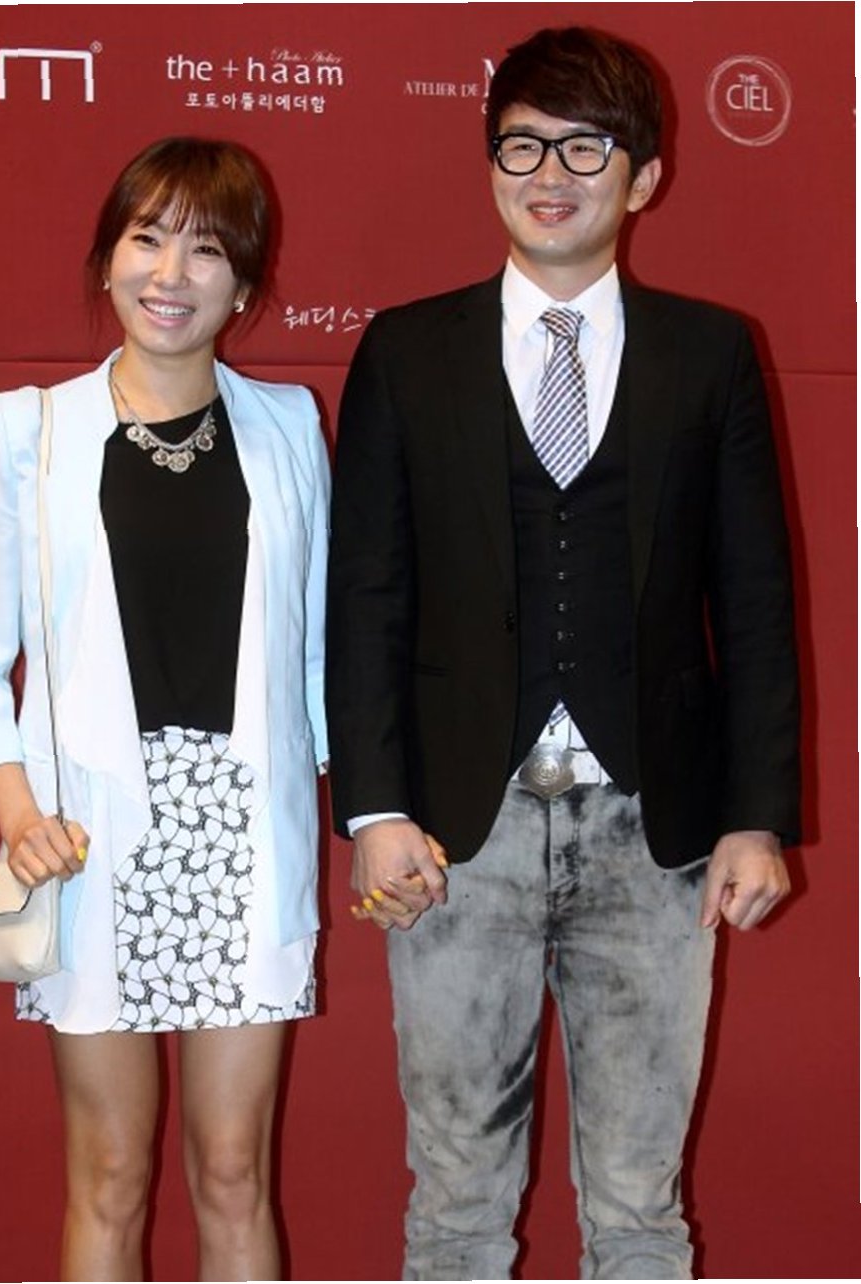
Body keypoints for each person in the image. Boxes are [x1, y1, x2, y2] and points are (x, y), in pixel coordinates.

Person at [327, 27, 798, 1281]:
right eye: (522, 145)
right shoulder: (407, 350)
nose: (550, 173)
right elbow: (365, 595)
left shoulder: (710, 352)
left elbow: (755, 601)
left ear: (643, 177)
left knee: (641, 1201)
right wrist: (373, 808)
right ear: (490, 165)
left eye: (586, 147)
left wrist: (756, 816)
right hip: (452, 836)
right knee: (456, 1198)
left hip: (656, 833)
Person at [0, 137, 329, 1281]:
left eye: (206, 250)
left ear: (244, 285)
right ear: (107, 259)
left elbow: (317, 651)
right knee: (109, 1175)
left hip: (242, 834)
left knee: (234, 1172)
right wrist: (18, 816)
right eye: (147, 238)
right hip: (84, 837)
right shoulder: (29, 430)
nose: (171, 272)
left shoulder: (289, 429)